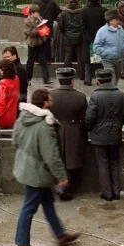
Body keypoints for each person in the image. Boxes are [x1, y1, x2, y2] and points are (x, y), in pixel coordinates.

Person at [13, 88, 80, 246]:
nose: (52, 102)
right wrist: (61, 176)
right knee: (28, 208)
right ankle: (22, 244)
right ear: (44, 103)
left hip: (27, 167)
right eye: (50, 99)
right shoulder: (45, 125)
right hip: (38, 173)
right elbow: (51, 154)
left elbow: (15, 140)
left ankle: (60, 235)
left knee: (48, 202)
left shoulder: (22, 118)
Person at [86, 68, 124, 201]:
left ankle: (107, 193)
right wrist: (118, 123)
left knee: (103, 163)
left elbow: (89, 118)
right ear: (111, 80)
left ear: (98, 81)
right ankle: (117, 192)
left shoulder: (95, 96)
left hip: (99, 136)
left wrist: (92, 129)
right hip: (115, 134)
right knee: (115, 163)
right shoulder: (122, 95)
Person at [49, 67, 87, 200]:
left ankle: (59, 187)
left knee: (58, 159)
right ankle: (69, 190)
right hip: (74, 130)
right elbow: (84, 118)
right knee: (72, 162)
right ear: (72, 80)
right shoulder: (80, 96)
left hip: (56, 129)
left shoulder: (51, 95)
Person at [93, 9, 124, 85]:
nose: (118, 21)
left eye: (118, 19)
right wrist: (108, 53)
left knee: (116, 78)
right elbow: (96, 47)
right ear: (110, 20)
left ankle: (111, 91)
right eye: (116, 19)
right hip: (108, 60)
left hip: (119, 59)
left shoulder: (120, 29)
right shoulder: (102, 31)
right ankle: (111, 93)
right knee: (111, 78)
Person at [58, 0, 84, 82]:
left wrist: (65, 32)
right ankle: (82, 76)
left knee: (68, 56)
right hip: (79, 36)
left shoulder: (64, 12)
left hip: (68, 36)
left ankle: (66, 75)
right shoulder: (82, 11)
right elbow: (84, 24)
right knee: (80, 57)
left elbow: (60, 25)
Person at [24, 4, 50, 85]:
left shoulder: (40, 18)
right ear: (31, 13)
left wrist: (43, 27)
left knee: (43, 61)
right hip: (32, 43)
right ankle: (28, 79)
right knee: (30, 62)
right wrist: (38, 29)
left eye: (38, 12)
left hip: (41, 42)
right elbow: (29, 33)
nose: (38, 14)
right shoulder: (27, 21)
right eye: (36, 13)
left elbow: (43, 29)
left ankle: (46, 79)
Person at [0, 59, 20, 129]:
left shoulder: (3, 83)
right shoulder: (16, 79)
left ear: (3, 70)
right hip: (12, 116)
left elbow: (0, 102)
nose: (0, 72)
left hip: (2, 118)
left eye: (0, 70)